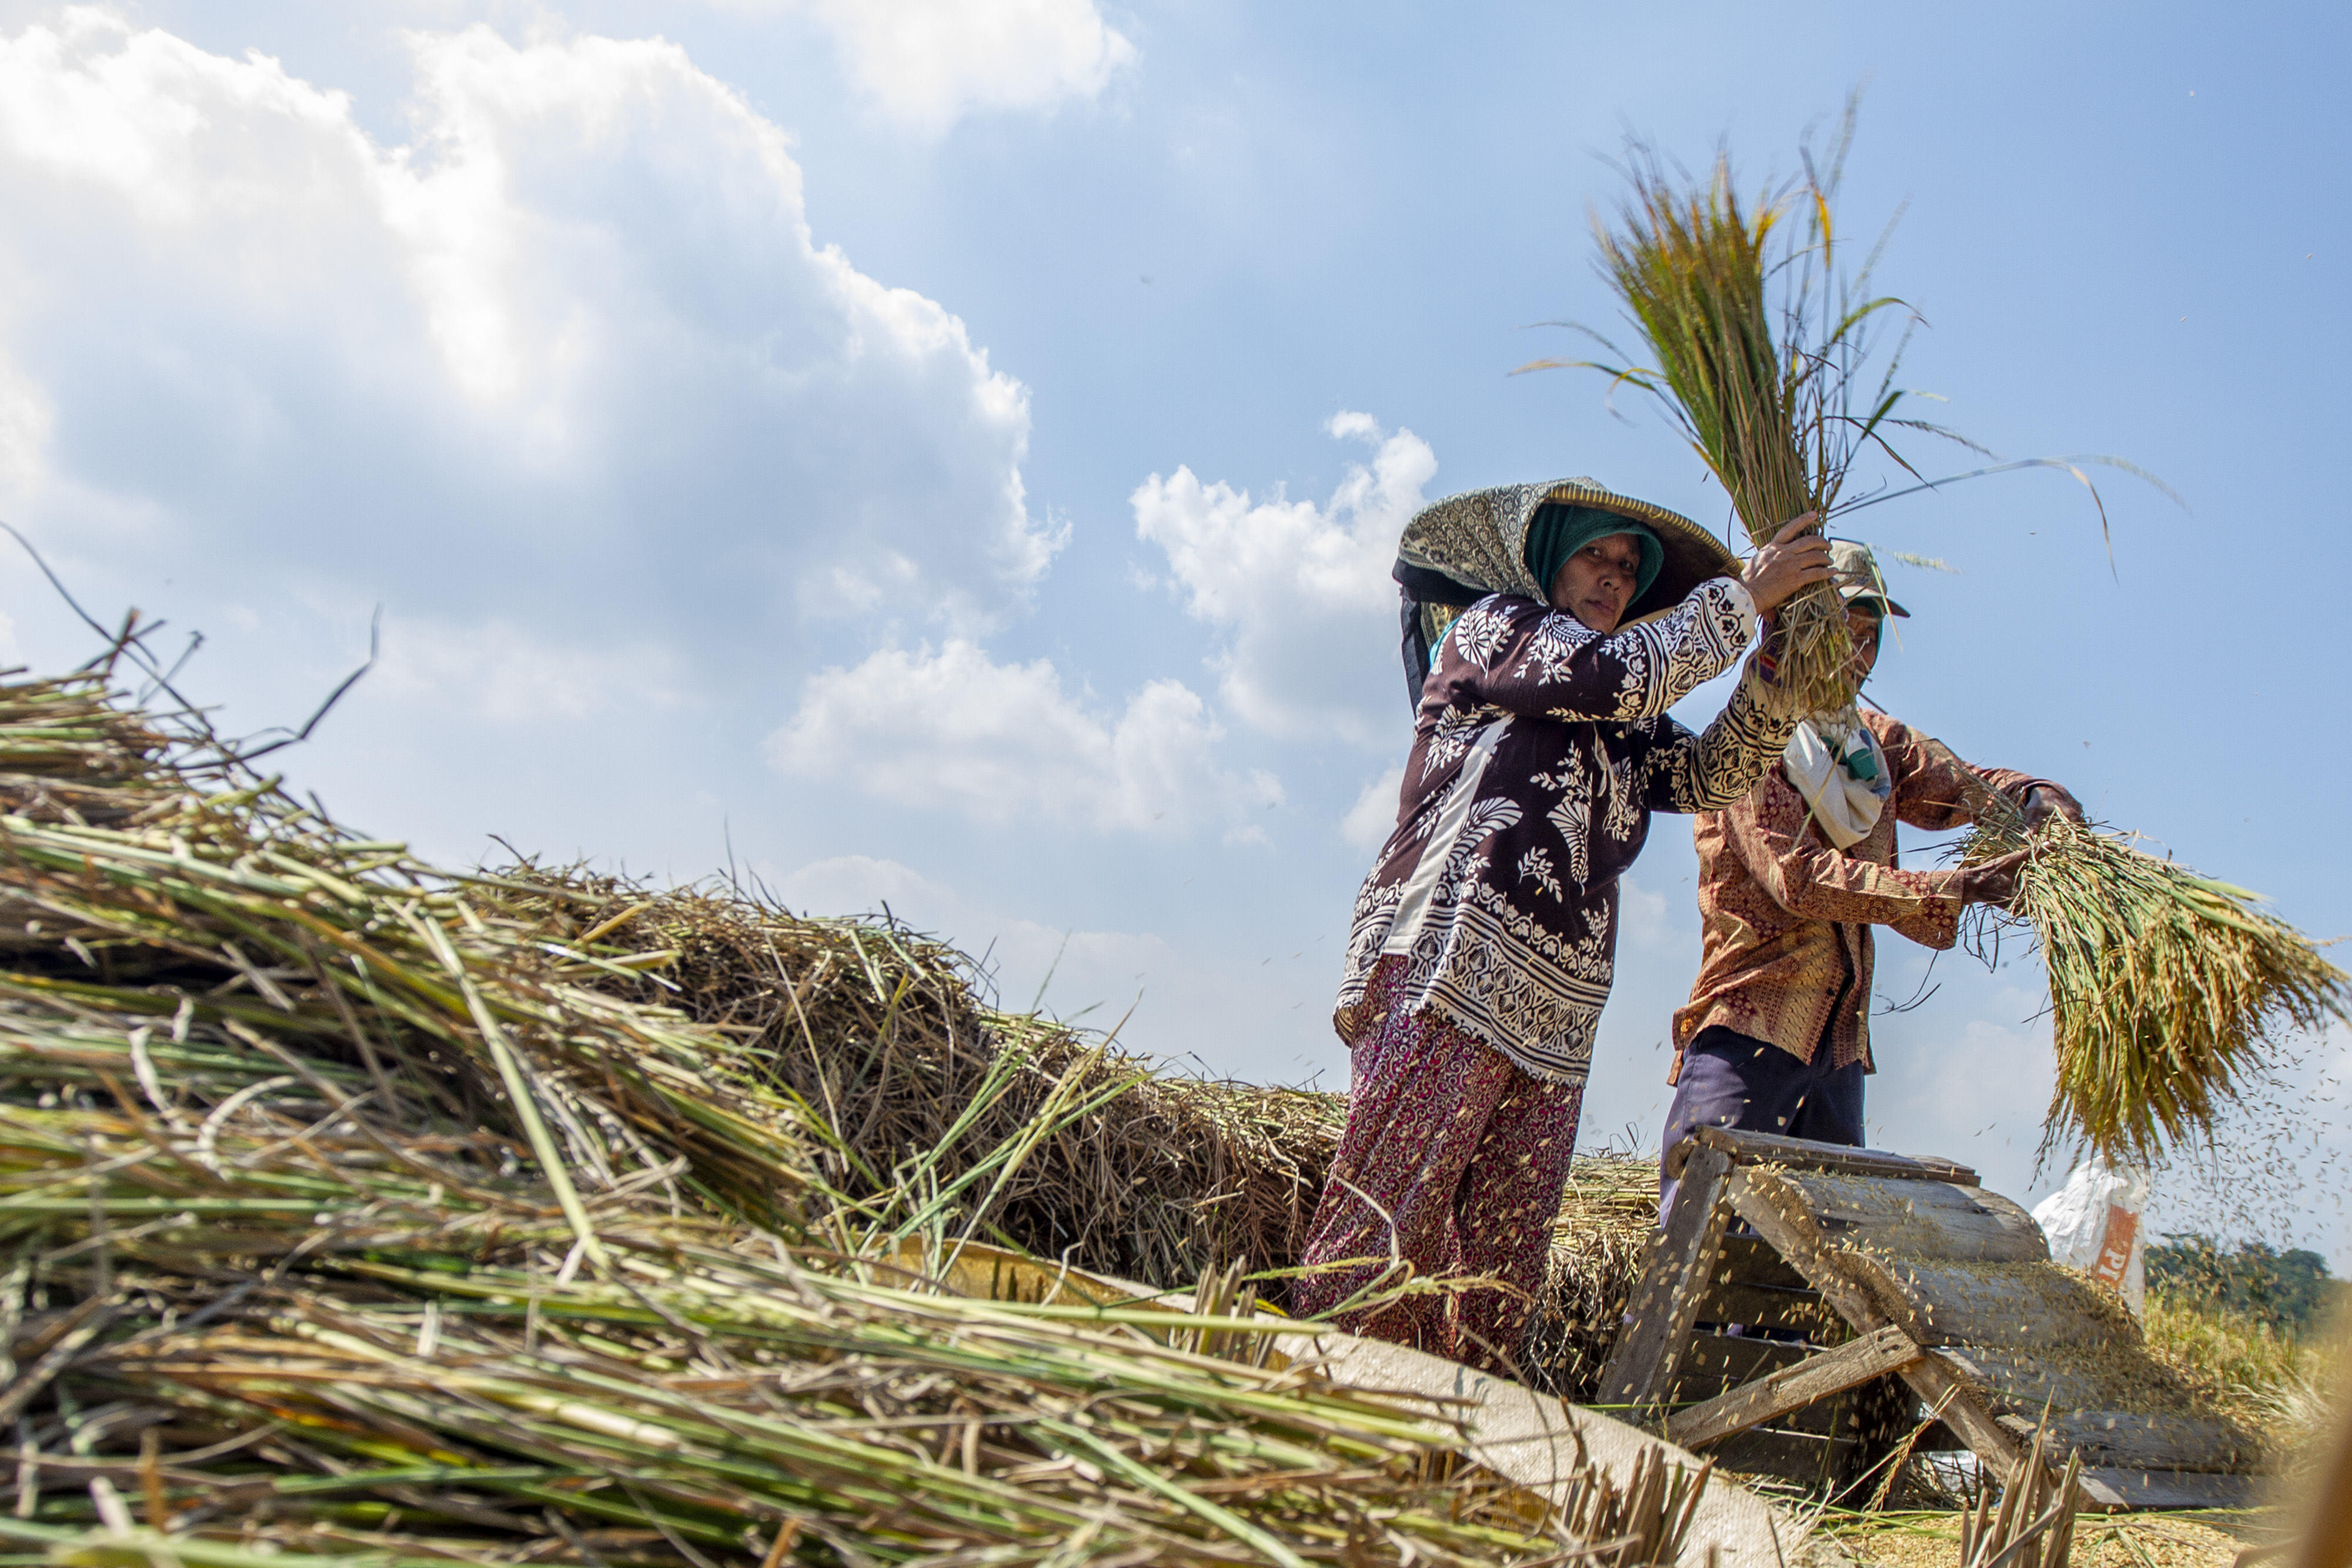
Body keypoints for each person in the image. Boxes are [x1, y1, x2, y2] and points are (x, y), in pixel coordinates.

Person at [1291, 477, 1832, 1373]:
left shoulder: (1624, 716)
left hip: (1556, 1004)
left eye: (1628, 568)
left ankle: (1458, 1445)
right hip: (1451, 960)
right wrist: (1743, 600)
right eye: (1596, 555)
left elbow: (1704, 776)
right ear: (1548, 559)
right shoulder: (1500, 627)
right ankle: (1327, 1411)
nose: (1613, 578)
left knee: (1502, 1260)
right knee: (1390, 1214)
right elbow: (1606, 674)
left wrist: (1774, 670)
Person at [1659, 541, 2084, 1209]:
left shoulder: (1866, 745)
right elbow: (1797, 879)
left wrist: (2032, 794)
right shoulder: (1750, 741)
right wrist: (1956, 888)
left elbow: (1960, 782)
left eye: (1870, 635)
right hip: (1750, 1032)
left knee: (1811, 1278)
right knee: (1701, 1249)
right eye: (1839, 633)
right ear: (1790, 626)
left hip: (1837, 1049)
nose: (1857, 655)